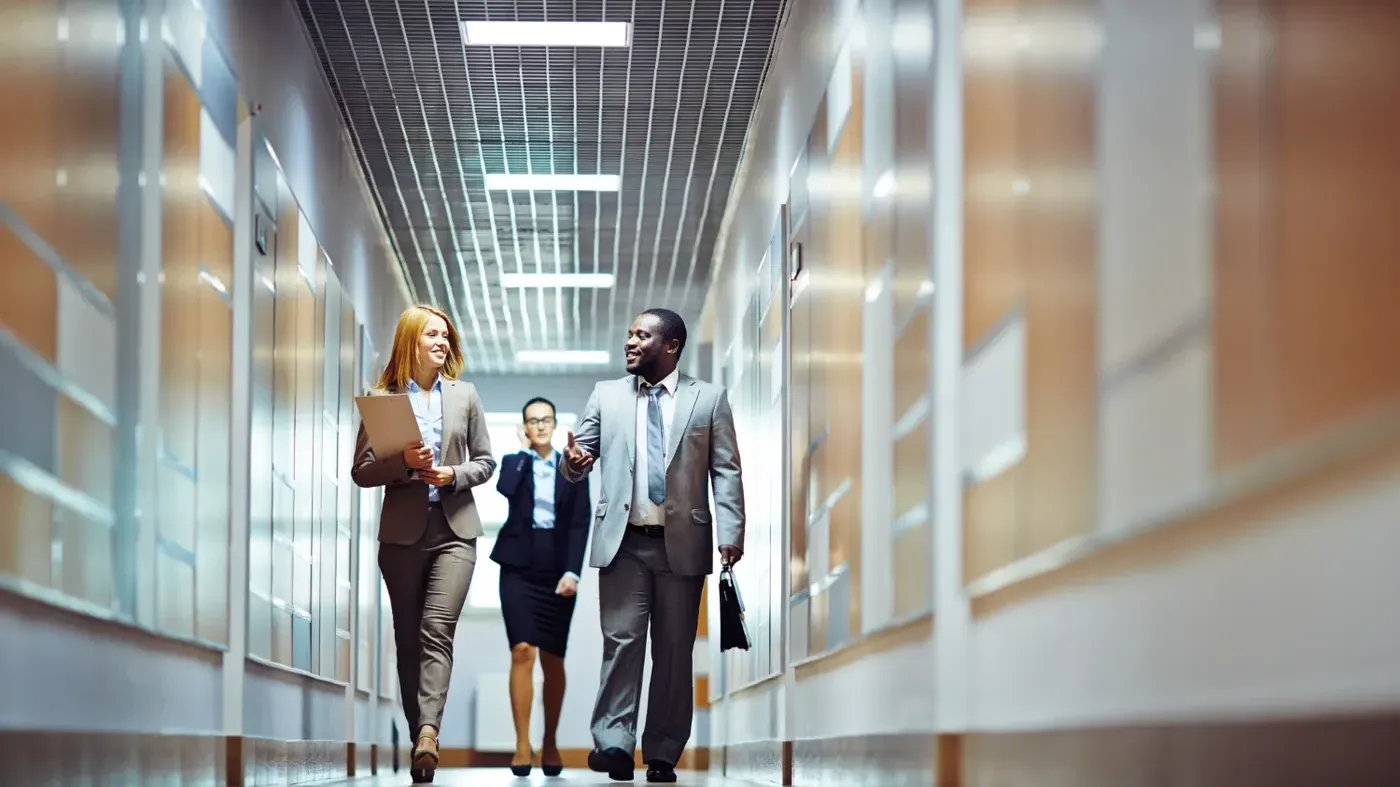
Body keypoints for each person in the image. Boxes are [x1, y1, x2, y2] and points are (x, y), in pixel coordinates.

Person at [561, 308, 746, 784]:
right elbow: (579, 457)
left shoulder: (708, 399)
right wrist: (576, 462)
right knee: (621, 643)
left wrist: (731, 531)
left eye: (642, 336)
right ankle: (615, 743)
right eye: (629, 335)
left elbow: (726, 470)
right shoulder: (607, 396)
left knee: (673, 649)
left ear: (671, 346)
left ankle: (662, 752)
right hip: (623, 543)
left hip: (682, 543)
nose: (630, 342)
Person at [351, 304, 496, 785]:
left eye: (446, 335)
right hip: (401, 535)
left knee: (437, 629)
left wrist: (452, 474)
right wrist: (407, 465)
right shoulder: (383, 399)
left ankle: (430, 733)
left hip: (455, 531)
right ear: (410, 340)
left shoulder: (465, 395)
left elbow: (486, 462)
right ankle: (420, 739)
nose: (442, 342)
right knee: (409, 637)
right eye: (432, 334)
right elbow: (363, 471)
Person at [490, 396, 592, 777]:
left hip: (557, 570)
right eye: (532, 421)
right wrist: (522, 451)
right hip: (518, 565)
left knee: (552, 658)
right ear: (525, 428)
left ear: (555, 423)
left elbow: (581, 521)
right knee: (521, 651)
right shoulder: (515, 462)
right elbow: (506, 489)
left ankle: (550, 741)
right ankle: (521, 745)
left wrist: (574, 572)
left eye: (546, 419)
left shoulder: (573, 467)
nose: (541, 426)